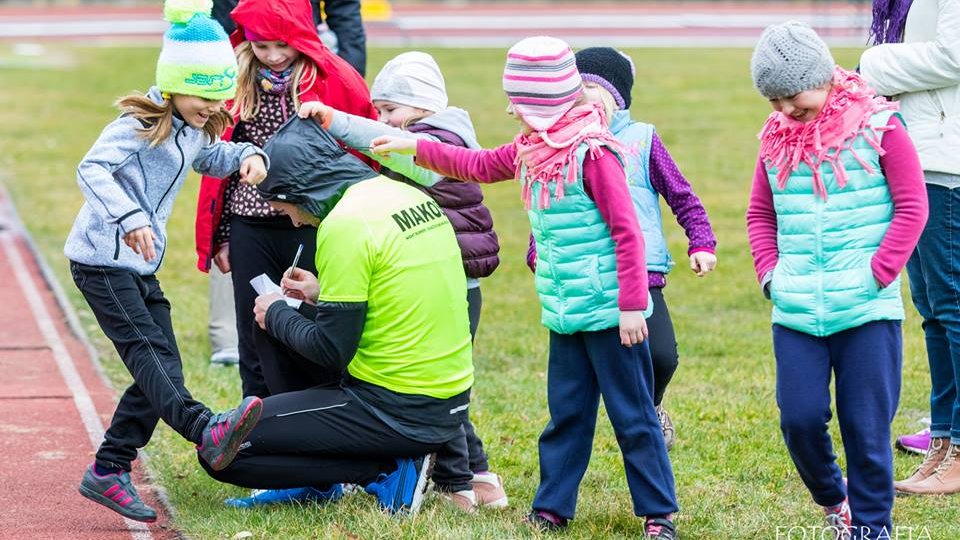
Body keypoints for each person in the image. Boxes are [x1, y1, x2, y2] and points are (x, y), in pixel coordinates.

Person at [369, 36, 679, 539]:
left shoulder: (593, 153)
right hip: (565, 309)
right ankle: (553, 507)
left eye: (519, 101)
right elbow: (478, 164)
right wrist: (416, 147)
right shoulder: (535, 147)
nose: (510, 110)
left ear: (546, 102)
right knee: (567, 415)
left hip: (611, 312)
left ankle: (658, 513)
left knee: (633, 416)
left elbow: (628, 232)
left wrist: (631, 306)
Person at [200, 117, 474, 517]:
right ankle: (376, 466)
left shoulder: (345, 224)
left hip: (394, 407)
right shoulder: (406, 195)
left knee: (222, 449)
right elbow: (399, 294)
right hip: (449, 400)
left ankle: (386, 469)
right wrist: (318, 294)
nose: (293, 222)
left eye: (286, 208)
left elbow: (330, 350)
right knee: (243, 420)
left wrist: (275, 311)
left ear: (302, 191)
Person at [65, 0, 269, 523]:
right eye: (204, 93)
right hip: (101, 261)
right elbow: (90, 169)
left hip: (139, 264)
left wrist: (248, 156)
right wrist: (130, 217)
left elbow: (211, 156)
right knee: (152, 355)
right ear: (176, 84)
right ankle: (206, 430)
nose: (212, 104)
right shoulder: (137, 124)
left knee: (160, 368)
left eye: (218, 94)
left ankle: (109, 469)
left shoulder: (193, 125)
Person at [298, 50, 505, 512]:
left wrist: (335, 120)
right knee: (447, 390)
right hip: (452, 284)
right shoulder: (437, 138)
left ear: (422, 106)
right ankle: (480, 479)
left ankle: (458, 487)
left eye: (390, 110)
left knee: (436, 392)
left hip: (446, 286)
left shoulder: (431, 149)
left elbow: (382, 141)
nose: (384, 120)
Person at [747, 22, 926, 539]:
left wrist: (879, 271)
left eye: (790, 95)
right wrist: (771, 276)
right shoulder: (775, 140)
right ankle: (834, 497)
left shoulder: (880, 126)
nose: (782, 110)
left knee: (866, 430)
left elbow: (913, 206)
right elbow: (760, 214)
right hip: (797, 308)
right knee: (799, 420)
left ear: (823, 77)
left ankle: (872, 525)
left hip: (867, 310)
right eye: (773, 99)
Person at [526, 47, 718, 450]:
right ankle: (613, 423)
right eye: (576, 95)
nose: (583, 103)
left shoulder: (642, 139)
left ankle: (651, 405)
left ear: (616, 99)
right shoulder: (560, 145)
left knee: (662, 356)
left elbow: (681, 195)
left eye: (593, 94)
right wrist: (537, 250)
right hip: (587, 277)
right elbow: (548, 204)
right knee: (589, 370)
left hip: (641, 272)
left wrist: (700, 241)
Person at [194, 0, 377, 399]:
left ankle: (317, 406)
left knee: (309, 315)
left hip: (310, 221)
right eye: (262, 47)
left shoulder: (332, 77)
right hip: (250, 222)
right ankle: (255, 417)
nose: (273, 57)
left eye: (282, 45)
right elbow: (218, 160)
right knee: (253, 326)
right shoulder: (235, 79)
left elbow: (362, 150)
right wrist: (223, 234)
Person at [861, 0, 960, 494]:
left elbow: (955, 54)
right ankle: (942, 439)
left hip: (948, 157)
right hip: (917, 155)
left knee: (954, 307)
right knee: (934, 311)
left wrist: (875, 62)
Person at [211, 0, 366, 76]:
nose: (274, 57)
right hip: (234, 55)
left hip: (300, 51)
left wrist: (351, 73)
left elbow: (345, 12)